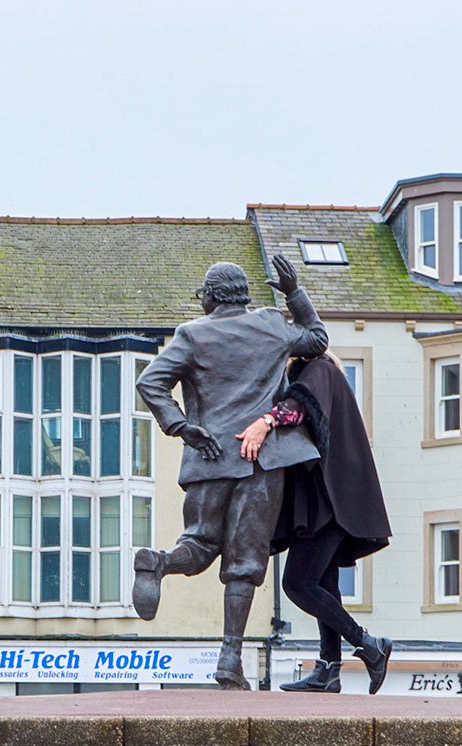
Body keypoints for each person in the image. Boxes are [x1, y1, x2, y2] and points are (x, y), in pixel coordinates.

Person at [132, 254, 327, 689]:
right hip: (259, 461)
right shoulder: (273, 324)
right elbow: (317, 339)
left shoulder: (192, 335)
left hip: (208, 456)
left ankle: (160, 563)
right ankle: (229, 659)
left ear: (212, 297)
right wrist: (294, 294)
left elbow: (150, 382)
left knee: (199, 544)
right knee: (244, 564)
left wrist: (182, 427)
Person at [244, 353, 394, 693]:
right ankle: (329, 669)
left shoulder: (318, 370)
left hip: (327, 501)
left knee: (298, 582)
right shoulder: (325, 375)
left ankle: (369, 645)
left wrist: (264, 422)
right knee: (325, 586)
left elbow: (298, 408)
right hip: (328, 499)